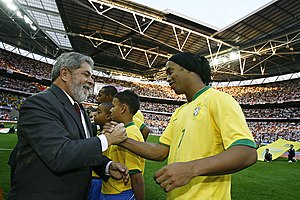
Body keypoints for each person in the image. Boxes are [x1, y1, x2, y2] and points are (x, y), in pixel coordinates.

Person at [107, 52, 257, 200]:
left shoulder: (219, 99)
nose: (167, 78)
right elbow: (160, 151)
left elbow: (247, 153)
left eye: (170, 71)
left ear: (188, 69)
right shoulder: (180, 111)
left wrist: (191, 169)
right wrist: (121, 139)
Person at [8, 52, 129, 200]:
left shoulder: (78, 108)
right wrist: (108, 139)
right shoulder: (39, 104)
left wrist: (106, 166)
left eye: (92, 77)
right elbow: (60, 154)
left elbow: (81, 147)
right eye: (86, 74)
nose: (91, 81)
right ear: (64, 74)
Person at [101, 90, 145, 200]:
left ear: (123, 108)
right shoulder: (120, 131)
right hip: (110, 190)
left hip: (120, 193)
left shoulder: (130, 134)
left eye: (113, 106)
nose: (110, 110)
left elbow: (136, 177)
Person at [88, 102, 113, 200]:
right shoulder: (97, 132)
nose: (95, 116)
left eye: (98, 113)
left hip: (99, 178)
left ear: (107, 116)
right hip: (92, 176)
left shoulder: (111, 136)